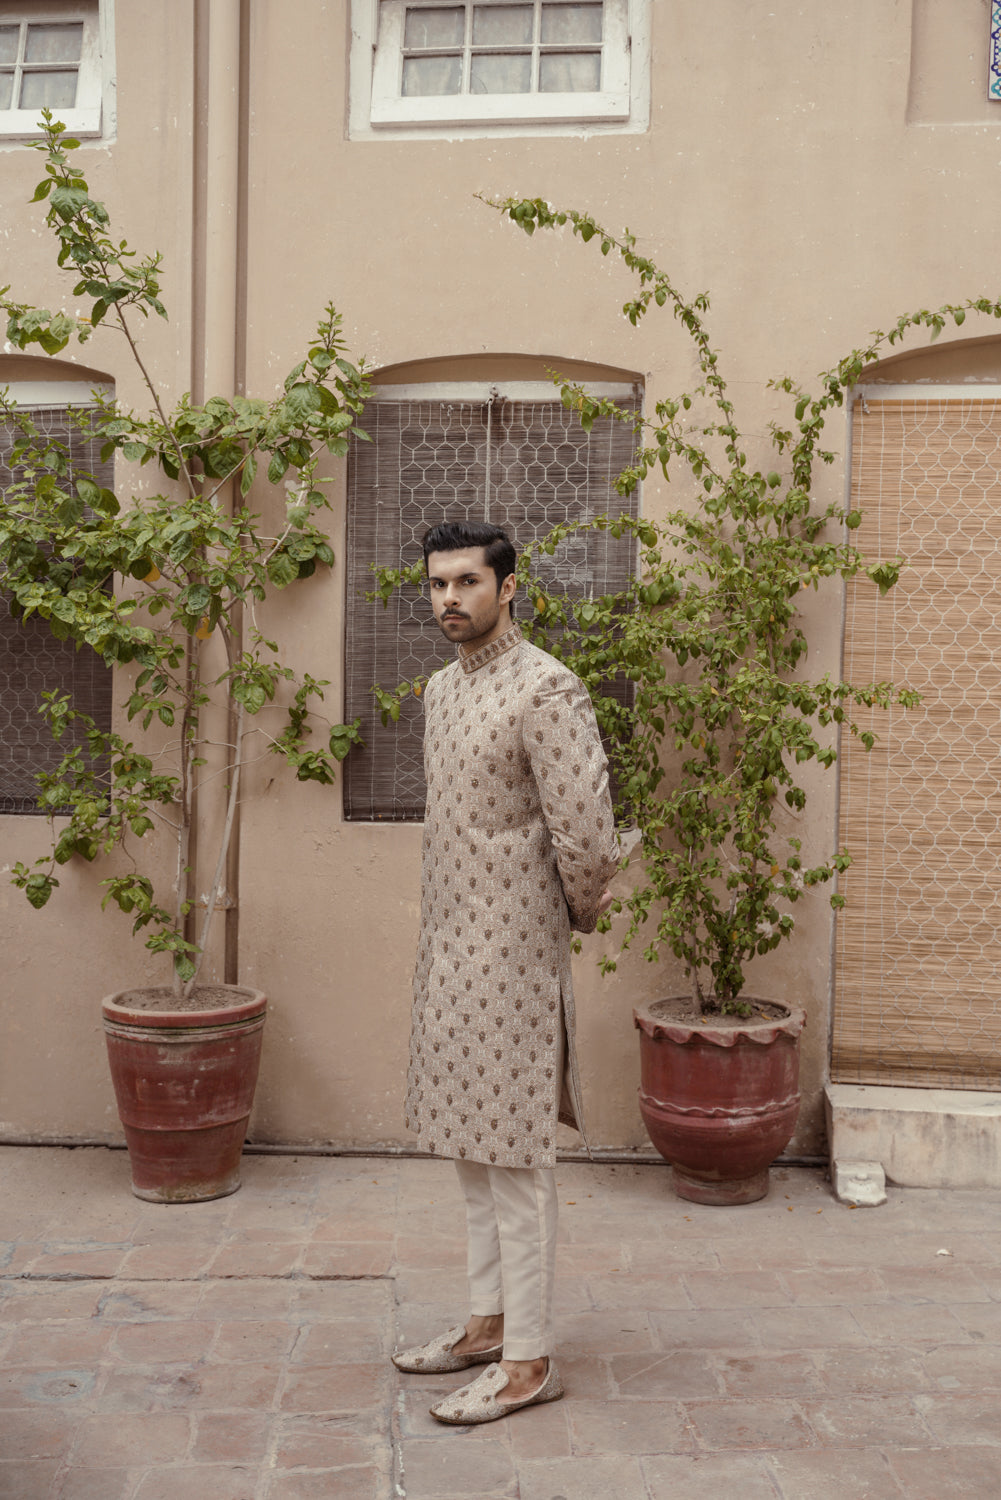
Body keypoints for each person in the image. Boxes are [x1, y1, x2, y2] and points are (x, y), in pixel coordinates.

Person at [391, 519, 619, 1425]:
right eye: (437, 584)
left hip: (513, 953)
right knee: (469, 1149)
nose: (449, 599)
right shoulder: (441, 691)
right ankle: (488, 1325)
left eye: (466, 583)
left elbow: (588, 839)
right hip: (447, 946)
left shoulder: (547, 689)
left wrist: (567, 919)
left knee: (516, 1156)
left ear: (508, 587)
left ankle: (528, 1361)